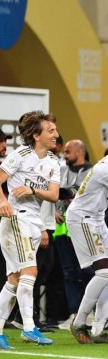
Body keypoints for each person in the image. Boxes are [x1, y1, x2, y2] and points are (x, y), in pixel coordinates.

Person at [0, 111, 60, 348]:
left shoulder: (54, 161)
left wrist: (32, 191)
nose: (55, 134)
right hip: (16, 219)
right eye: (50, 131)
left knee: (14, 279)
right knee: (30, 272)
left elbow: (54, 195)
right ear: (36, 135)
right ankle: (29, 328)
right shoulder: (20, 155)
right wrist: (3, 201)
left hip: (34, 221)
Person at [67, 133, 108, 344]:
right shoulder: (106, 169)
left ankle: (97, 330)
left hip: (96, 218)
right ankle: (78, 322)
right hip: (83, 218)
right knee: (104, 272)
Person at [54, 139, 94, 330]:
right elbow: (53, 194)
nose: (64, 155)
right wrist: (54, 211)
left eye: (68, 152)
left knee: (88, 271)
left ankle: (89, 313)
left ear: (79, 152)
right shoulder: (60, 171)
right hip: (62, 229)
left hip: (85, 228)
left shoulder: (93, 172)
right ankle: (74, 314)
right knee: (69, 273)